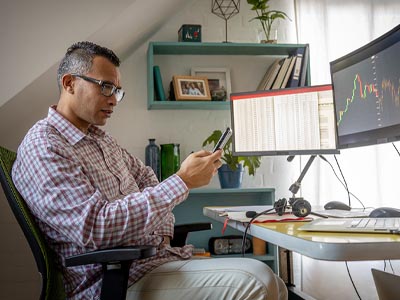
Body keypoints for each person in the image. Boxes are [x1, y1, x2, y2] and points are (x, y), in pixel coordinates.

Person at [12, 41, 287, 300]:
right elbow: (94, 226)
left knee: (276, 284)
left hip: (152, 261)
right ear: (69, 83)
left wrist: (164, 231)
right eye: (106, 87)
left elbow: (146, 178)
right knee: (259, 280)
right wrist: (182, 181)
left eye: (117, 91)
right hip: (112, 280)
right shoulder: (45, 146)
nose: (114, 100)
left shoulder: (100, 139)